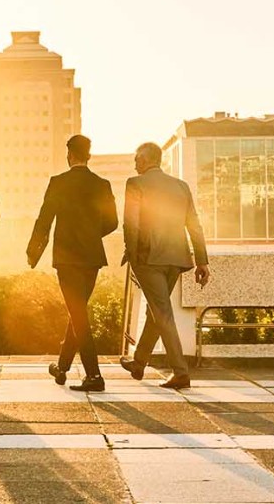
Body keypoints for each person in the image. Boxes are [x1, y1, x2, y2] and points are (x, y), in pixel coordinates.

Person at [27, 135, 117, 393]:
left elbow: (44, 220)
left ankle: (94, 376)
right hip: (92, 258)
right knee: (77, 313)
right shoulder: (102, 184)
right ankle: (62, 367)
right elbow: (112, 223)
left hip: (66, 258)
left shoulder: (59, 183)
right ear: (88, 154)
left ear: (69, 154)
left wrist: (33, 252)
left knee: (78, 314)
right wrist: (90, 235)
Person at [120, 142, 210, 390]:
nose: (134, 163)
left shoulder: (135, 184)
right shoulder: (181, 186)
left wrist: (133, 253)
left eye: (136, 158)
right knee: (156, 310)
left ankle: (180, 372)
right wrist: (201, 260)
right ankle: (139, 362)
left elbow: (131, 223)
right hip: (177, 259)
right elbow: (194, 225)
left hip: (149, 258)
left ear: (146, 159)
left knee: (162, 313)